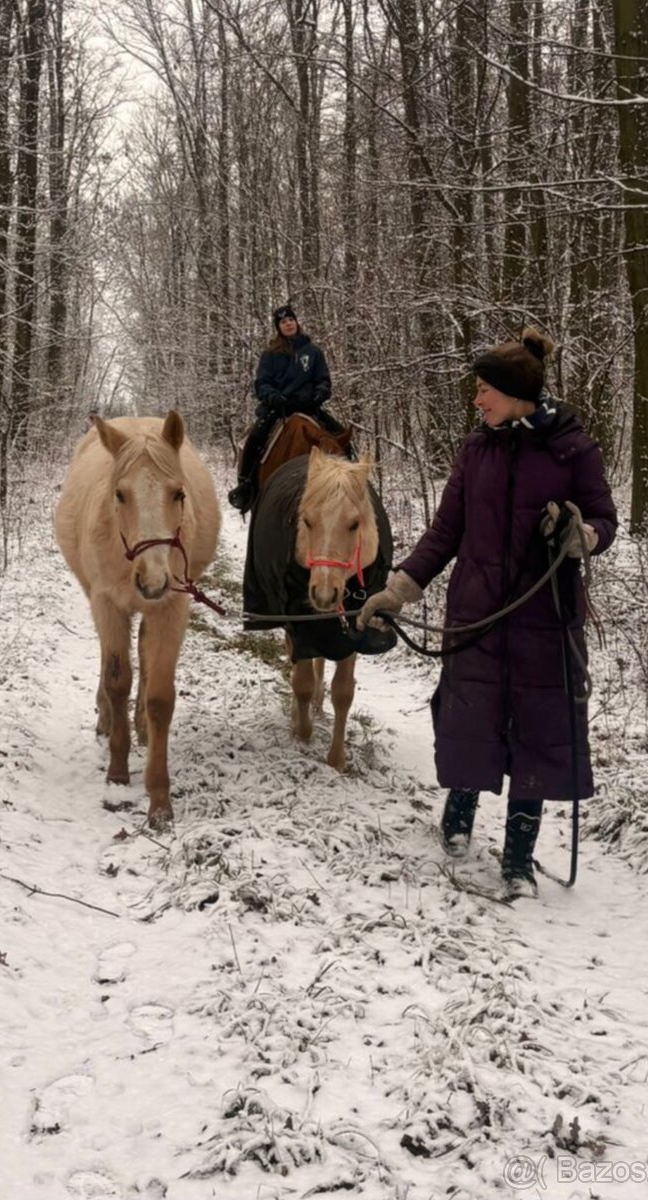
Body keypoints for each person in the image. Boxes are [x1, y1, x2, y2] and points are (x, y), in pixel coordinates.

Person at [358, 328, 617, 897]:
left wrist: (582, 534)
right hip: (475, 612)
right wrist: (399, 588)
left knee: (536, 732)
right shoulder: (476, 449)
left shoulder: (574, 448)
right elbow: (447, 530)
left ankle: (519, 861)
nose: (477, 401)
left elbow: (604, 520)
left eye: (484, 391)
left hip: (544, 617)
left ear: (513, 393)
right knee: (470, 718)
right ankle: (458, 817)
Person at [228, 305, 344, 512]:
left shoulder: (313, 352)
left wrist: (320, 392)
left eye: (291, 319)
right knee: (254, 439)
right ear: (278, 327)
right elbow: (262, 382)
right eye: (283, 321)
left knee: (341, 436)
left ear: (296, 322)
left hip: (309, 408)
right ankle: (246, 487)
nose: (288, 323)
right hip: (279, 409)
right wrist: (272, 396)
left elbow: (323, 379)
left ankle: (353, 482)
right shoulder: (270, 354)